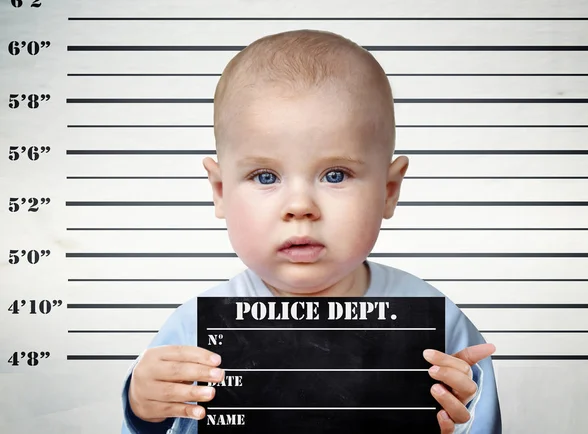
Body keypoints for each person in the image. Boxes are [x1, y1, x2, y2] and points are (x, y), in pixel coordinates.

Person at [121, 29, 502, 434]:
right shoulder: (192, 330)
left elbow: (481, 424)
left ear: (388, 191)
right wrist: (145, 409)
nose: (300, 206)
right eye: (265, 176)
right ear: (220, 191)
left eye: (335, 174)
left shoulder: (440, 328)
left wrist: (458, 421)